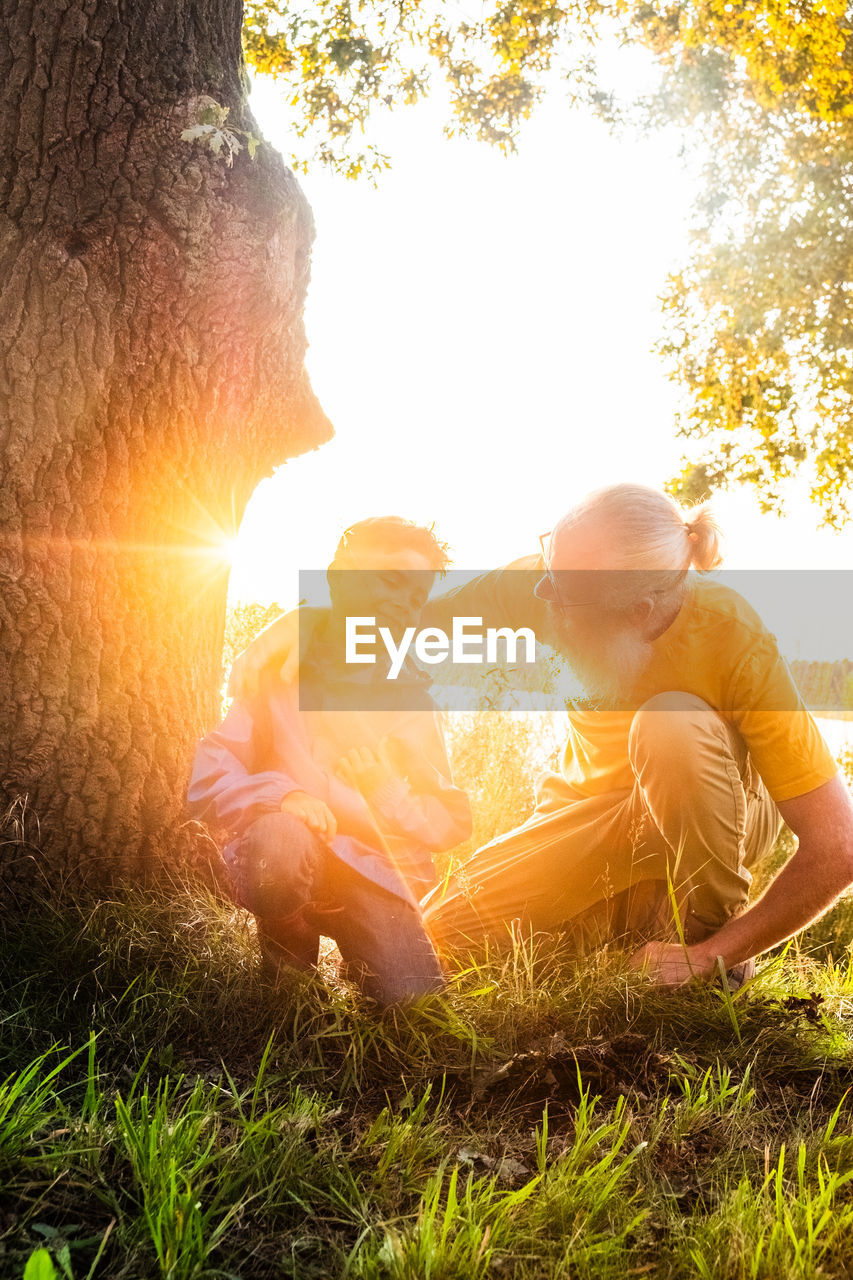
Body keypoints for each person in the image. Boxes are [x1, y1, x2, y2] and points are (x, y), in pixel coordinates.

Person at [229, 485, 853, 990]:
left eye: (563, 592)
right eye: (549, 562)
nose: (539, 593)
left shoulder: (736, 638)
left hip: (710, 816)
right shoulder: (543, 581)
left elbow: (837, 844)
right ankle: (620, 926)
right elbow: (404, 624)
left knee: (672, 725)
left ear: (636, 611)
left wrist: (719, 950)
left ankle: (705, 951)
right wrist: (308, 622)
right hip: (586, 818)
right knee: (438, 939)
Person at [188, 516, 472, 1006]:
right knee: (279, 841)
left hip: (373, 871)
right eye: (390, 580)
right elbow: (212, 768)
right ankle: (288, 940)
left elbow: (450, 823)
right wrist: (283, 794)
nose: (402, 604)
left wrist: (389, 791)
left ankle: (365, 950)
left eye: (416, 598)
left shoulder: (413, 701)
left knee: (418, 1006)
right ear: (341, 576)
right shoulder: (275, 672)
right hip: (290, 848)